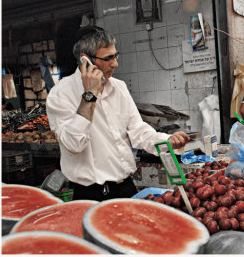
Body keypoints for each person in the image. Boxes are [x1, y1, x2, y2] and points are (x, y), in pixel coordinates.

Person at [46, 26, 189, 201]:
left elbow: (138, 131)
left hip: (127, 187)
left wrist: (167, 141)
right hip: (91, 195)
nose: (115, 63)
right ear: (85, 60)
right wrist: (89, 96)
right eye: (108, 58)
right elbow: (74, 144)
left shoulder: (118, 87)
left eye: (115, 55)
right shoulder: (61, 94)